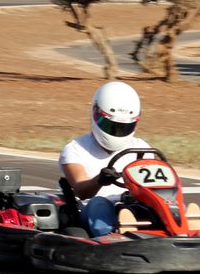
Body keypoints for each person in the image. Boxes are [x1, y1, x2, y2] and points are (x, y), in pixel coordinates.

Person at [59, 82, 153, 237]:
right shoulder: (75, 149)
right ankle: (113, 235)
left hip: (131, 205)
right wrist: (99, 180)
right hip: (91, 210)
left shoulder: (142, 148)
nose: (117, 132)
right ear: (96, 113)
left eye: (123, 128)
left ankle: (183, 228)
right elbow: (81, 191)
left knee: (159, 204)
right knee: (99, 203)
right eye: (111, 126)